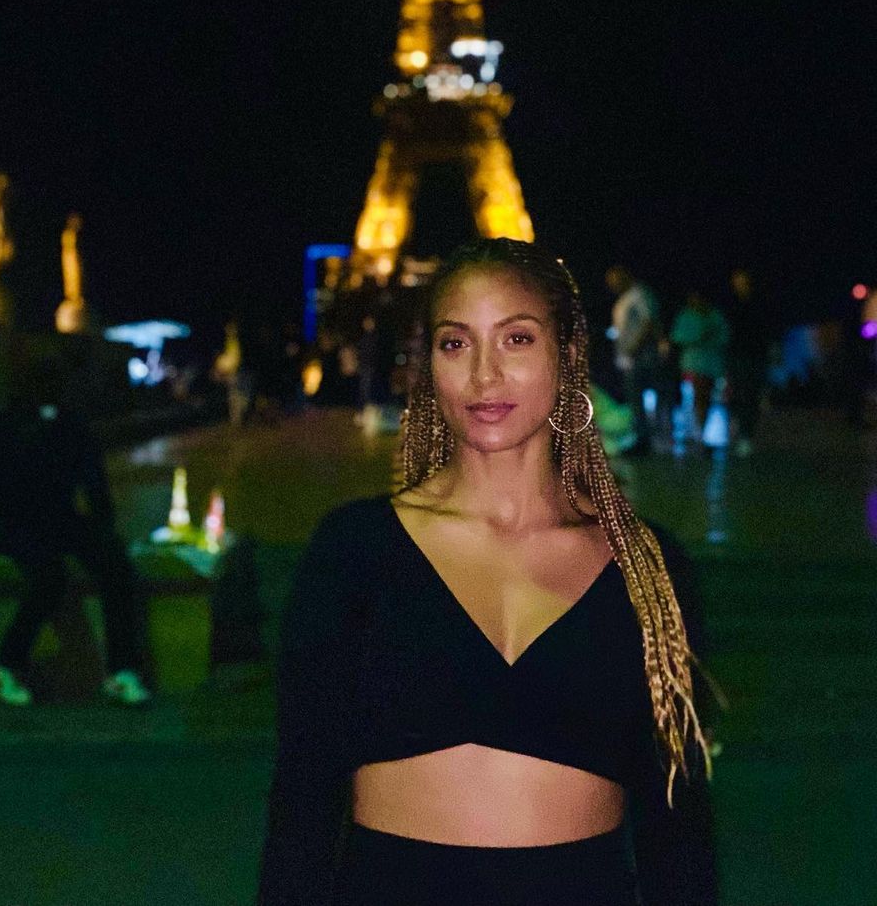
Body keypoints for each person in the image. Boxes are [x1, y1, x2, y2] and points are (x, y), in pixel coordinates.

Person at [258, 238, 716, 906]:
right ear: (429, 365)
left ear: (568, 354)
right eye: (455, 343)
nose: (483, 375)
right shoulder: (354, 551)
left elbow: (677, 827)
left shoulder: (647, 565)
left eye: (517, 339)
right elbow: (302, 804)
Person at [0, 361, 150, 706]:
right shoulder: (66, 424)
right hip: (35, 522)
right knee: (61, 577)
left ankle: (13, 662)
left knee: (100, 571)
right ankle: (116, 669)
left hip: (27, 521)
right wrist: (104, 529)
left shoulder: (11, 424)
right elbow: (95, 486)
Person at [604, 265, 664, 456]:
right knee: (634, 398)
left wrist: (634, 347)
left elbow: (649, 321)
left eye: (615, 280)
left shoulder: (640, 294)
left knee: (642, 396)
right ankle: (641, 437)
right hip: (628, 358)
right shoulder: (624, 299)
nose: (612, 285)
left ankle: (647, 440)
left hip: (641, 356)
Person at [670, 292, 730, 449]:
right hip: (691, 366)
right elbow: (677, 336)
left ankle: (703, 434)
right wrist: (698, 336)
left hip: (710, 366)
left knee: (705, 399)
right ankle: (694, 433)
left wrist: (709, 336)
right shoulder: (686, 316)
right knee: (693, 399)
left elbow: (724, 336)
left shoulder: (715, 316)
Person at [726, 270, 770, 455]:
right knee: (736, 395)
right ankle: (740, 432)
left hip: (754, 356)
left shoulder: (759, 304)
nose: (739, 285)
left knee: (750, 395)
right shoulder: (731, 305)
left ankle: (746, 435)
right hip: (736, 356)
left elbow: (766, 329)